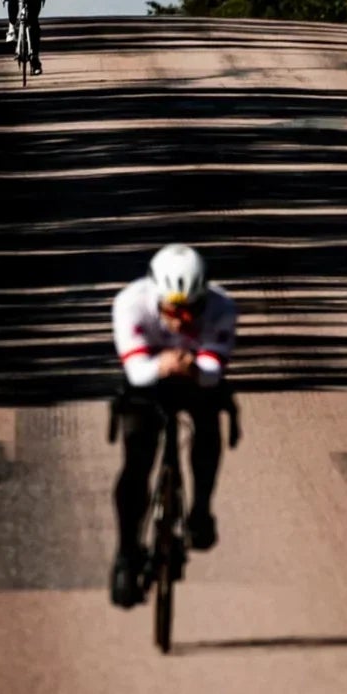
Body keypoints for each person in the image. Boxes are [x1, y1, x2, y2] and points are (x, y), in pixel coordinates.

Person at [110, 243, 237, 609]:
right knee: (137, 459)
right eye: (172, 310)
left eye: (190, 310)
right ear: (156, 296)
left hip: (196, 380)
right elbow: (136, 371)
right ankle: (126, 553)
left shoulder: (222, 306)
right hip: (146, 382)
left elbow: (214, 372)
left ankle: (200, 509)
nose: (182, 320)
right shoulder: (130, 303)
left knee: (208, 425)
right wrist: (163, 364)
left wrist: (195, 368)